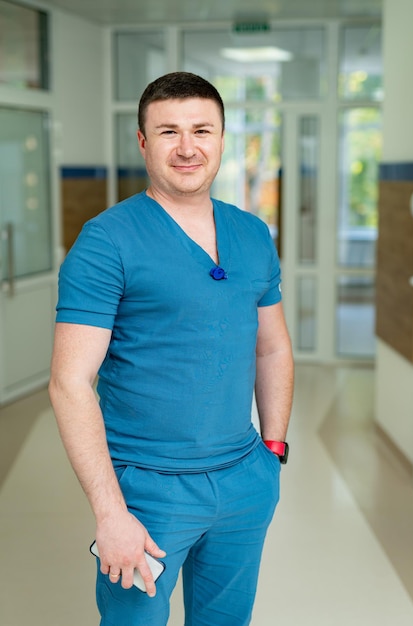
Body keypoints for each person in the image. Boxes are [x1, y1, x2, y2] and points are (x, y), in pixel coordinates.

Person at [49, 71, 294, 626]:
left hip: (243, 481)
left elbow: (272, 349)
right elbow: (68, 382)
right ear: (142, 141)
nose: (187, 147)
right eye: (168, 132)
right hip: (146, 492)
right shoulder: (106, 240)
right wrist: (111, 512)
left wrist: (273, 451)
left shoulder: (252, 233)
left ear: (223, 138)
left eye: (202, 130)